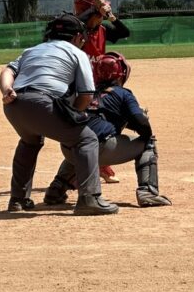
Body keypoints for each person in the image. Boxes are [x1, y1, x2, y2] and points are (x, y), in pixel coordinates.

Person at [0, 13, 118, 215]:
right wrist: (74, 116)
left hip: (14, 105)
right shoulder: (77, 53)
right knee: (86, 139)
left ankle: (18, 199)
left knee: (29, 142)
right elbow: (87, 94)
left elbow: (7, 71)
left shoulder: (31, 50)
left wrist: (7, 89)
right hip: (43, 102)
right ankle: (90, 198)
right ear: (78, 37)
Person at [43, 52, 172, 208]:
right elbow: (140, 122)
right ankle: (148, 192)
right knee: (148, 144)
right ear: (121, 74)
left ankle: (56, 190)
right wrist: (145, 130)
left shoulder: (88, 91)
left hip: (67, 148)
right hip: (101, 148)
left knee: (79, 143)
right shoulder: (123, 93)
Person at [74, 0, 131, 184]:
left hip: (98, 85)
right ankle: (85, 168)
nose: (100, 18)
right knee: (82, 127)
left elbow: (125, 32)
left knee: (104, 122)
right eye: (97, 14)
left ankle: (99, 164)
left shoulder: (103, 30)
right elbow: (81, 22)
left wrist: (111, 16)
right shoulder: (76, 30)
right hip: (79, 87)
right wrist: (94, 9)